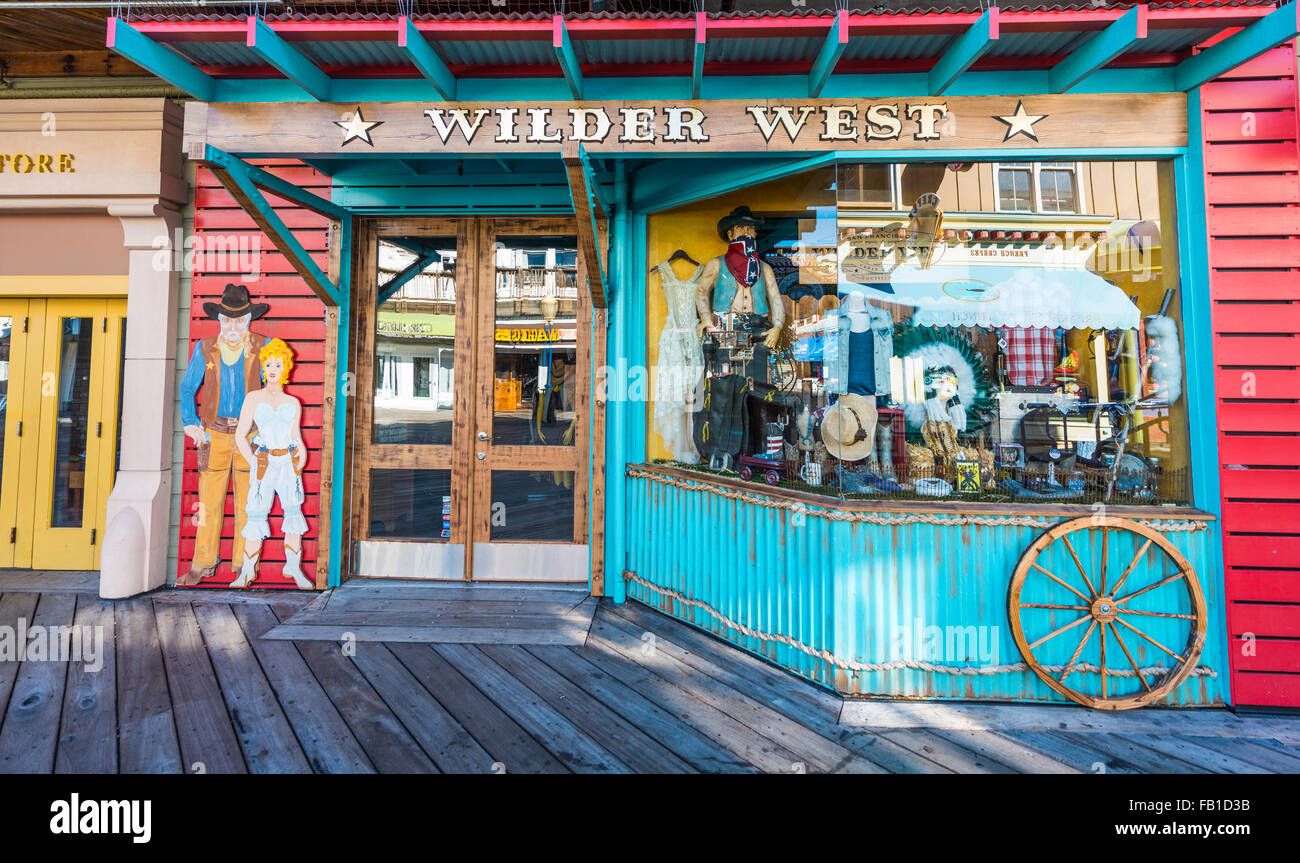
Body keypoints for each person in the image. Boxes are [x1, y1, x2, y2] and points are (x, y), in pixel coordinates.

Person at [177, 285, 269, 586]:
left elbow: (272, 391)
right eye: (227, 320)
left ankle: (244, 563)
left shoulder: (263, 346)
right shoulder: (205, 348)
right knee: (209, 501)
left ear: (248, 320)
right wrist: (190, 422)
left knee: (247, 502)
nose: (232, 326)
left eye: (239, 320)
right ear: (219, 320)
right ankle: (203, 561)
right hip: (213, 433)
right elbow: (188, 388)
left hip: (249, 435)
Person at [231, 338, 311, 589]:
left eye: (278, 363)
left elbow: (296, 437)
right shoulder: (253, 398)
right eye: (269, 363)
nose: (273, 368)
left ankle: (293, 568)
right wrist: (254, 460)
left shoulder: (292, 403)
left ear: (285, 367)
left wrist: (301, 458)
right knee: (255, 513)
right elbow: (240, 435)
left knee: (293, 512)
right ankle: (246, 571)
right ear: (263, 367)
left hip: (288, 461)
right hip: (264, 460)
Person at [694, 206, 786, 358]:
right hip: (723, 326)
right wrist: (705, 319)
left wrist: (777, 327)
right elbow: (701, 292)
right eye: (740, 228)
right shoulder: (716, 264)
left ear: (755, 234)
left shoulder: (765, 268)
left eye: (750, 230)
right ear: (730, 234)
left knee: (757, 373)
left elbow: (776, 299)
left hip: (758, 326)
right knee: (723, 373)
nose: (745, 233)